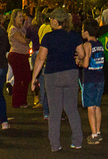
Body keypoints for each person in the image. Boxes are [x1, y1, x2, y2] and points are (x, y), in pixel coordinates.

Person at [30, 8, 85, 152]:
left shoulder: (48, 37)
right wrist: (78, 60)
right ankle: (77, 141)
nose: (50, 21)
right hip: (71, 73)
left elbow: (41, 58)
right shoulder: (74, 35)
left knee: (55, 111)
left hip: (53, 75)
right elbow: (82, 53)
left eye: (51, 19)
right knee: (71, 109)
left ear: (55, 21)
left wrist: (34, 77)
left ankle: (55, 144)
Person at [77, 18, 105, 144]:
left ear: (87, 32)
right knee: (97, 106)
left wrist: (79, 62)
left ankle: (93, 134)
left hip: (89, 79)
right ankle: (98, 131)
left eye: (83, 30)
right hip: (100, 77)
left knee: (90, 107)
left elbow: (86, 64)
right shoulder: (100, 44)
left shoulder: (87, 45)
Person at [8, 9, 32, 108]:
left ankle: (22, 100)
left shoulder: (21, 28)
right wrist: (29, 37)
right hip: (16, 55)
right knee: (19, 79)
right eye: (19, 16)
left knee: (26, 78)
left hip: (23, 55)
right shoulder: (13, 29)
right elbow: (24, 41)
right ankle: (17, 102)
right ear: (14, 18)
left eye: (22, 16)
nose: (22, 18)